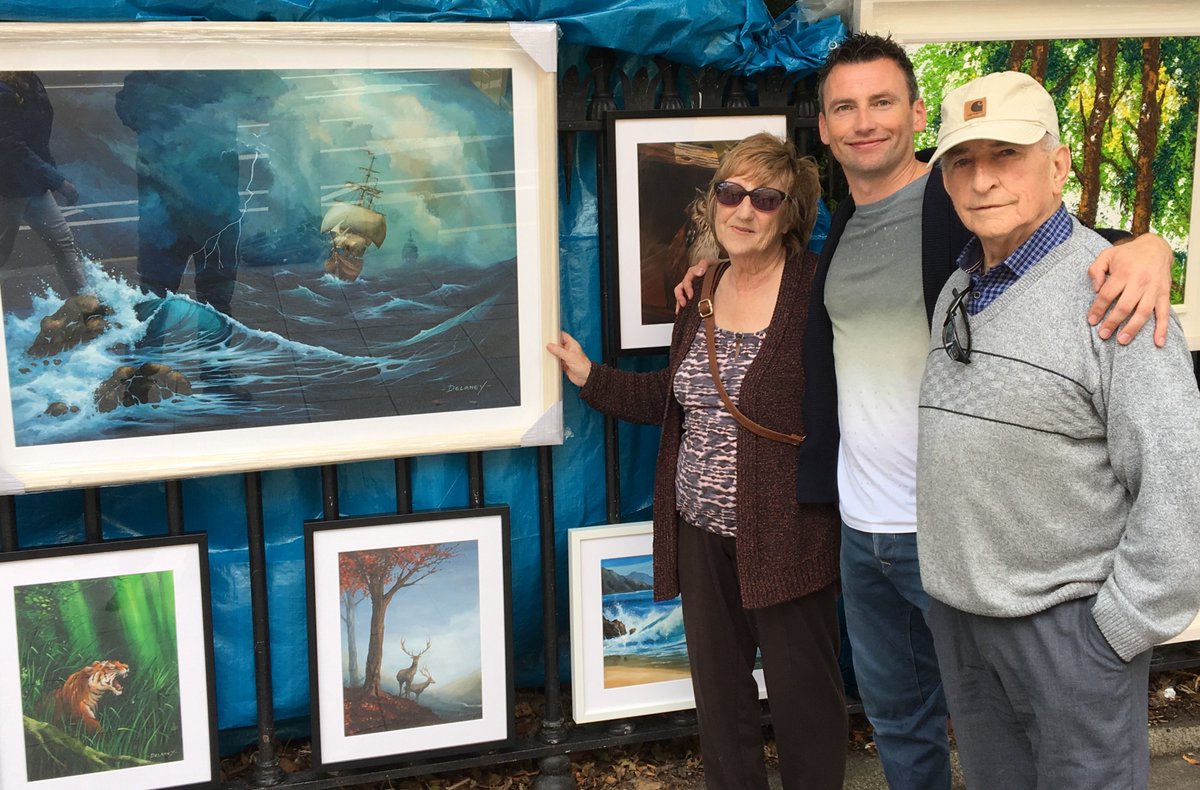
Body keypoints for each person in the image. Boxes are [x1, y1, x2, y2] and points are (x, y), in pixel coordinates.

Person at [674, 33, 1176, 790]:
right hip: (865, 527)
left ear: (914, 115)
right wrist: (715, 265)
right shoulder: (842, 228)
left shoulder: (956, 209)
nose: (864, 120)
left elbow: (1056, 248)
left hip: (963, 536)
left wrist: (1151, 245)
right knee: (908, 729)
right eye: (845, 106)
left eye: (882, 102)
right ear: (825, 125)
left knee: (1027, 747)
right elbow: (777, 275)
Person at [916, 70, 1200, 789]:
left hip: (1069, 632)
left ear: (1059, 164)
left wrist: (1118, 631)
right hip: (964, 620)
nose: (982, 181)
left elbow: (1180, 478)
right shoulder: (960, 285)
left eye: (1005, 155)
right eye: (963, 161)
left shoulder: (1115, 292)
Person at [548, 133, 845, 788]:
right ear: (712, 203)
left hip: (790, 533)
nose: (743, 210)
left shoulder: (820, 288)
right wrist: (589, 376)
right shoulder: (702, 292)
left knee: (807, 708)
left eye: (765, 199)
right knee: (720, 704)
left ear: (789, 213)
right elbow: (673, 397)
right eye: (730, 192)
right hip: (700, 534)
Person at [0, 71, 88, 295]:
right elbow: (12, 147)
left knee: (63, 244)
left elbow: (37, 140)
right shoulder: (5, 90)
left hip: (32, 185)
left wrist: (51, 177)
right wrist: (57, 181)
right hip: (7, 189)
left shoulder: (30, 80)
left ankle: (88, 309)